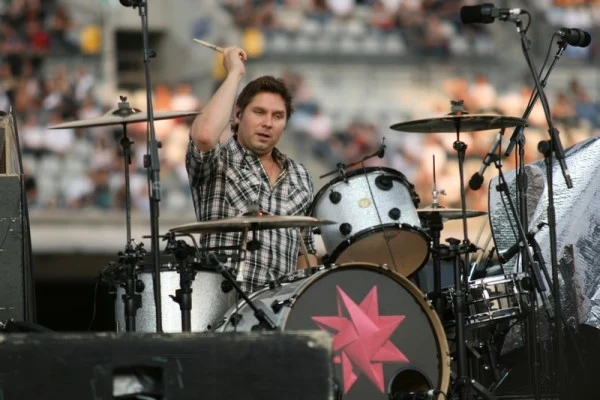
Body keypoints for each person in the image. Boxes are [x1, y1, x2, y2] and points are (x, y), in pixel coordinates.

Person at [186, 46, 318, 294]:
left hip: (280, 307)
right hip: (224, 304)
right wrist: (234, 73)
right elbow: (203, 136)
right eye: (259, 112)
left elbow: (305, 249)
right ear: (237, 115)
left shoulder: (301, 175)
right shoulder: (219, 160)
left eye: (277, 116)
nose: (268, 123)